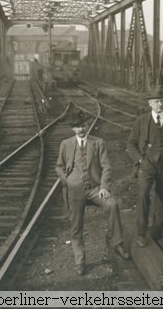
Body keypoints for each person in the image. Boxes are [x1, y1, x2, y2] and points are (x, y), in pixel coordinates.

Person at [55, 111, 130, 276]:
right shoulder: (66, 144)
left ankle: (118, 243)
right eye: (77, 127)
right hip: (74, 190)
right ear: (73, 129)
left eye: (83, 126)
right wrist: (67, 181)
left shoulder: (98, 143)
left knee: (112, 204)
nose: (81, 129)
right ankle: (80, 260)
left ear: (87, 126)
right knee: (76, 227)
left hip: (95, 188)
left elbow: (107, 167)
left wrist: (104, 187)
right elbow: (59, 167)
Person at [127, 86, 163, 249]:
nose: (159, 104)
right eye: (156, 101)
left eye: (161, 101)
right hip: (147, 166)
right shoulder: (141, 121)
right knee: (143, 197)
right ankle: (141, 234)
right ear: (150, 103)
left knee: (161, 200)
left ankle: (157, 236)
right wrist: (140, 161)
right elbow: (131, 144)